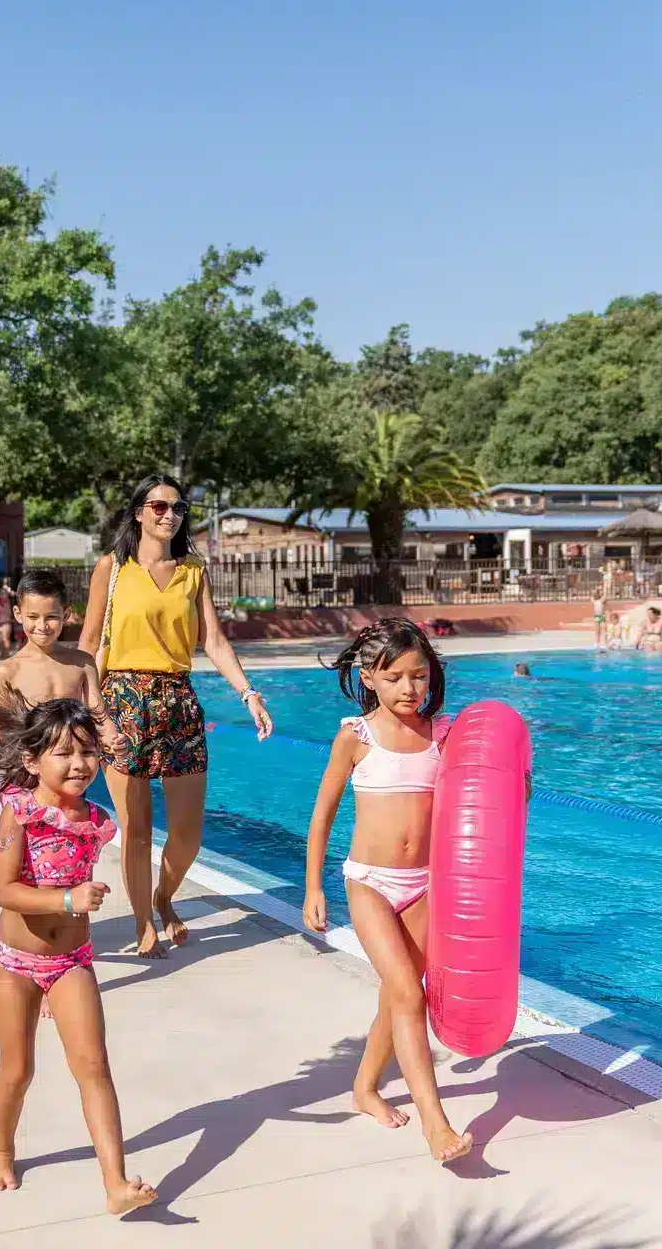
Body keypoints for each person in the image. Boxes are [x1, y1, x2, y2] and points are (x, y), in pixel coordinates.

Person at [0, 696, 159, 1215]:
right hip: (16, 964)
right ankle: (2, 1149)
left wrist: (77, 905)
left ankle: (116, 1183)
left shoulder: (98, 822)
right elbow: (4, 890)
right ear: (32, 761)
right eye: (62, 754)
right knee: (17, 1070)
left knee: (94, 1066)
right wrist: (67, 899)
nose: (79, 764)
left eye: (87, 752)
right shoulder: (18, 812)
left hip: (72, 961)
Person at [80, 475, 275, 958]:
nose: (169, 515)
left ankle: (165, 897)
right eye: (159, 506)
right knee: (138, 828)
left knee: (188, 833)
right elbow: (90, 644)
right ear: (139, 512)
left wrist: (248, 693)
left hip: (178, 701)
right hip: (121, 700)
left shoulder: (192, 569)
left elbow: (212, 639)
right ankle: (144, 920)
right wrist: (85, 708)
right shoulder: (113, 567)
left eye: (178, 507)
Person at [300, 618, 472, 1164]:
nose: (408, 688)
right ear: (368, 677)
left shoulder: (442, 735)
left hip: (424, 884)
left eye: (418, 675)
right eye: (394, 676)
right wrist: (312, 886)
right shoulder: (357, 735)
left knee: (398, 994)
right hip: (370, 882)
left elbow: (486, 798)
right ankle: (436, 1124)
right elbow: (322, 813)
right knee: (409, 993)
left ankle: (365, 1088)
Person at [0, 570, 119, 836]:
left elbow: (99, 714)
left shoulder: (81, 663)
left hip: (67, 782)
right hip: (21, 780)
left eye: (51, 617)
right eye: (33, 617)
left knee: (66, 860)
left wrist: (112, 738)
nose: (42, 625)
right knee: (22, 862)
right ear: (18, 614)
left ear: (66, 614)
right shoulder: (9, 671)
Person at [590, 583, 608, 650]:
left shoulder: (602, 600)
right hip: (596, 616)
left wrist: (603, 588)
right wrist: (597, 589)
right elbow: (592, 595)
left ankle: (605, 643)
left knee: (604, 630)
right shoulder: (594, 600)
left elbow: (605, 595)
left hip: (602, 616)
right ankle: (597, 643)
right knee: (597, 631)